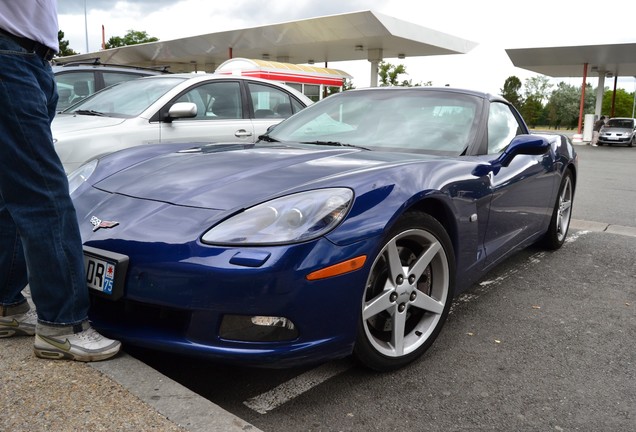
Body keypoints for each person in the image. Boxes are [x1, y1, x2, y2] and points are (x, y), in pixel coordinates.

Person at [0, 1, 120, 361]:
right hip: (9, 57)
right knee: (45, 194)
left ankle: (5, 305)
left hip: (33, 58)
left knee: (15, 192)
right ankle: (62, 325)